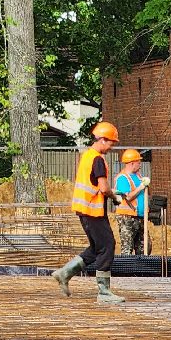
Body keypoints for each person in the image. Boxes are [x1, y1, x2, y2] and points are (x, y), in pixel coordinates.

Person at [52, 120, 124, 305]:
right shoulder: (97, 159)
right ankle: (104, 293)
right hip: (93, 211)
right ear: (102, 139)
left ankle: (65, 273)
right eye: (111, 142)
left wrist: (111, 192)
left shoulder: (87, 156)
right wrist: (114, 196)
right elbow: (103, 188)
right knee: (107, 245)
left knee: (96, 248)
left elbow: (93, 184)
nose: (112, 147)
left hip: (85, 211)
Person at [112, 148, 149, 256]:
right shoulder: (122, 178)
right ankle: (127, 266)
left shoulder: (138, 176)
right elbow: (127, 197)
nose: (140, 165)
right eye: (138, 162)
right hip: (127, 218)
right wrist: (141, 187)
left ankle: (140, 266)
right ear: (132, 163)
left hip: (140, 216)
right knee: (127, 248)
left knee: (145, 247)